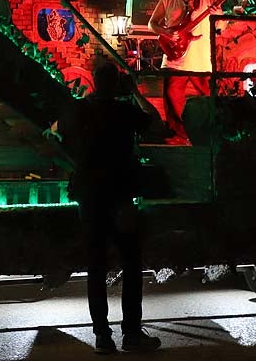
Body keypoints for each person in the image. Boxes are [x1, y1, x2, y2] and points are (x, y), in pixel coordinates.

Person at [56, 60, 161, 354]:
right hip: (119, 196)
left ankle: (102, 335)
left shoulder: (79, 110)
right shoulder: (124, 111)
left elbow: (54, 134)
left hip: (89, 195)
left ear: (93, 81)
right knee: (130, 263)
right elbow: (156, 123)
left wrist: (78, 163)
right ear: (117, 84)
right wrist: (137, 93)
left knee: (96, 266)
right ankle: (131, 333)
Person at [147, 0, 218, 144]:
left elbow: (221, 27)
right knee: (172, 95)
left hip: (200, 57)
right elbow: (152, 23)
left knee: (208, 95)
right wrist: (166, 32)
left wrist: (219, 15)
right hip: (174, 57)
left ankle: (210, 132)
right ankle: (178, 134)